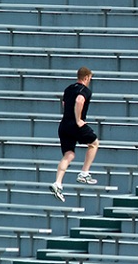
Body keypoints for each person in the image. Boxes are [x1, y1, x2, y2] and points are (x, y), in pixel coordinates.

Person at [50, 66, 99, 202]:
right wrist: (78, 120)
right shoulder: (85, 90)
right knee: (94, 143)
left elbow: (65, 103)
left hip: (64, 124)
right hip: (74, 124)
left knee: (69, 155)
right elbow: (79, 100)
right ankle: (84, 173)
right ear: (86, 77)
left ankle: (58, 183)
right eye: (90, 78)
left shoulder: (68, 88)